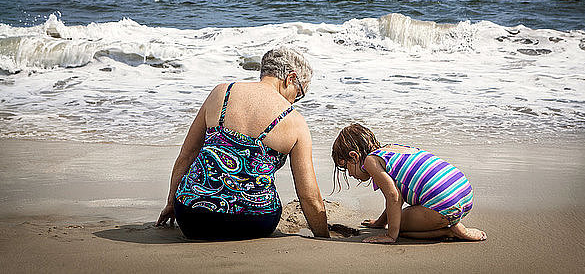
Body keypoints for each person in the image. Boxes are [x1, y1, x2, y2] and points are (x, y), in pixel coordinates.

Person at [156, 47, 330, 240]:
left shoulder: (221, 92)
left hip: (192, 217)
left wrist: (172, 203)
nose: (295, 101)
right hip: (255, 222)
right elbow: (308, 197)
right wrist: (323, 236)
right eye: (298, 94)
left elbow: (187, 154)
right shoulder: (295, 121)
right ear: (290, 79)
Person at [331, 123, 486, 243]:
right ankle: (452, 221)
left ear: (354, 156)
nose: (350, 174)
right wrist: (379, 223)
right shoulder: (393, 149)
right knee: (395, 218)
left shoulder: (370, 161)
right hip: (464, 193)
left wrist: (391, 234)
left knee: (400, 227)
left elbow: (393, 196)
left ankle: (450, 231)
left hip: (445, 204)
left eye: (346, 167)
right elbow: (397, 196)